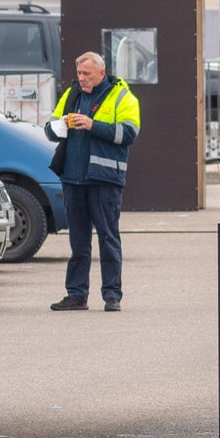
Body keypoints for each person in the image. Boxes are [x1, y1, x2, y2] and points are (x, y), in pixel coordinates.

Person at [43, 50, 141, 312]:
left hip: (104, 180)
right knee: (78, 242)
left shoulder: (122, 96)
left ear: (101, 72)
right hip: (73, 179)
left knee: (108, 239)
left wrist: (92, 125)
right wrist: (61, 124)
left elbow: (129, 134)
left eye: (86, 73)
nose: (81, 78)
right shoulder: (72, 94)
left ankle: (112, 296)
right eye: (79, 73)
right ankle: (76, 295)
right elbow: (50, 128)